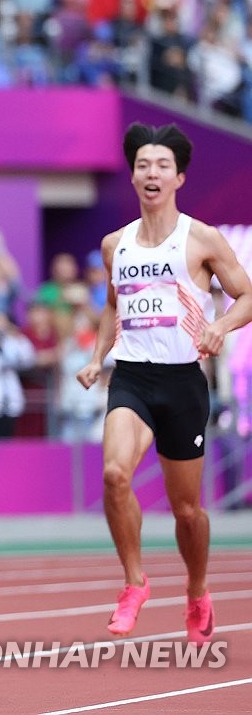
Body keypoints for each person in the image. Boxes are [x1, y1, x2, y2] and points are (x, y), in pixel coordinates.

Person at [76, 122, 252, 645]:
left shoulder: (201, 239)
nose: (152, 173)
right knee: (113, 475)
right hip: (130, 377)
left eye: (162, 166)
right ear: (133, 175)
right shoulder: (115, 244)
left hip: (181, 383)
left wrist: (220, 326)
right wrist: (95, 357)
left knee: (186, 509)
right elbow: (112, 305)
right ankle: (134, 582)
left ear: (179, 177)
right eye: (143, 165)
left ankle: (197, 589)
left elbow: (246, 294)